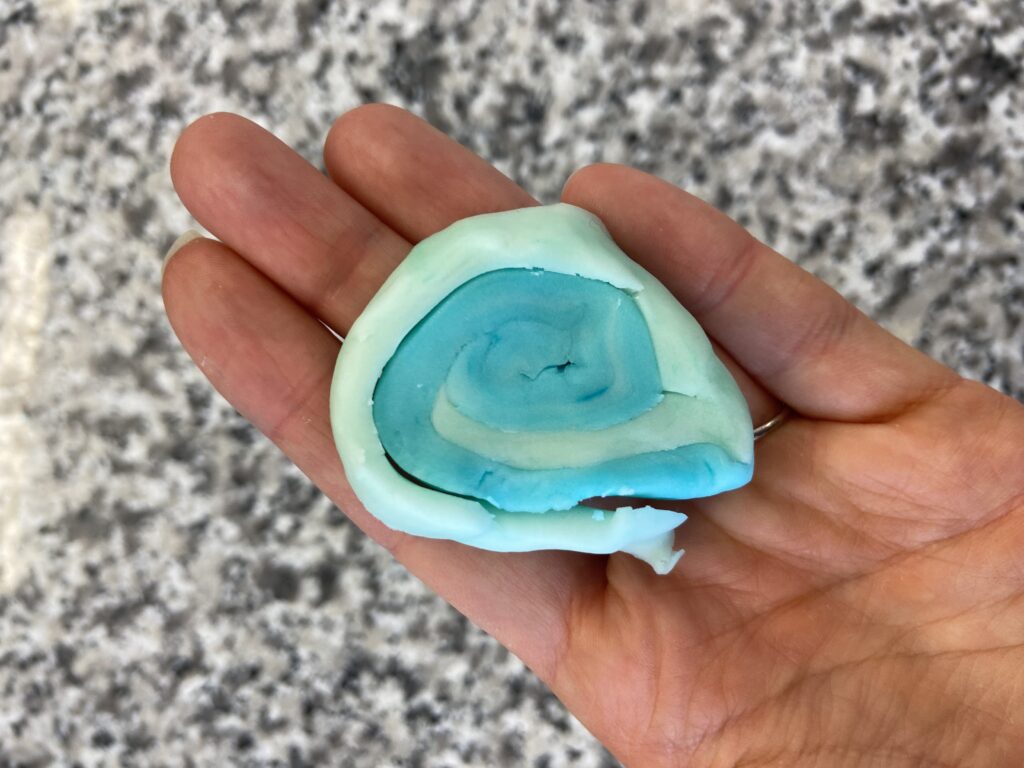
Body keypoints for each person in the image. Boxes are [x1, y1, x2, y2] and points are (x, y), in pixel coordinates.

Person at [161, 104, 1024, 767]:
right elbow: (502, 511)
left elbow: (705, 454)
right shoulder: (413, 438)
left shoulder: (644, 374)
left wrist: (628, 510)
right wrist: (610, 524)